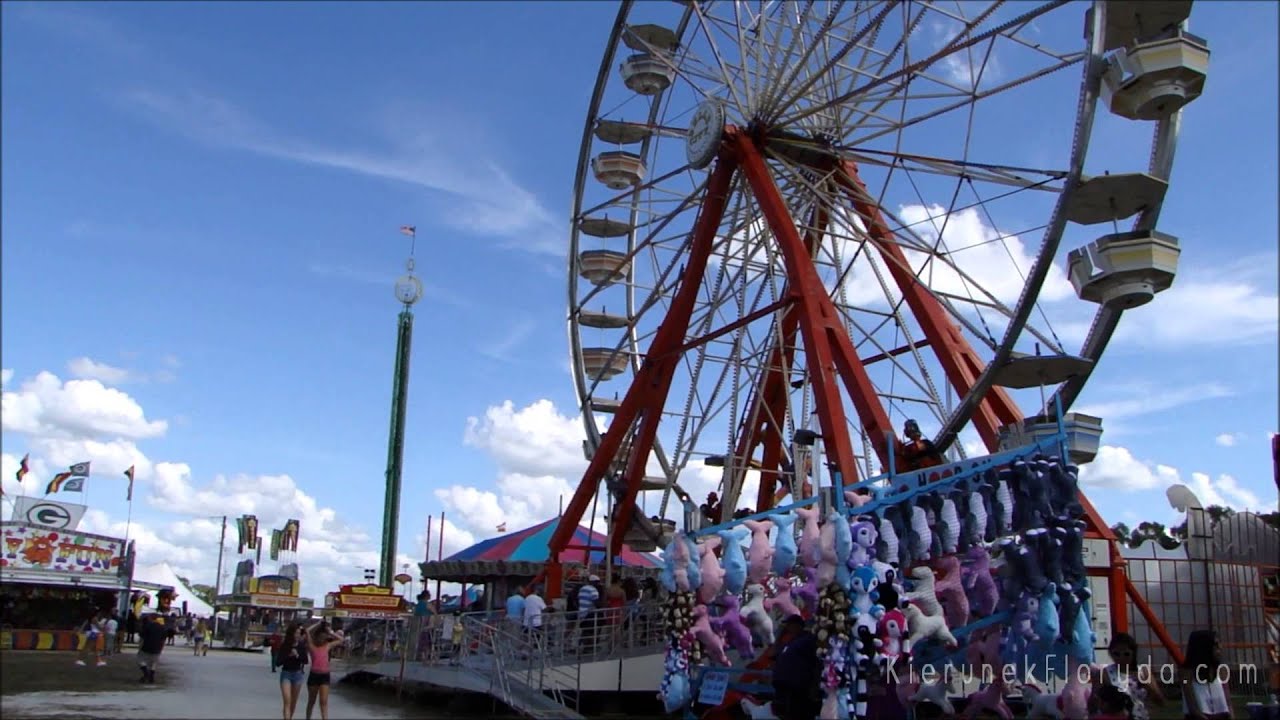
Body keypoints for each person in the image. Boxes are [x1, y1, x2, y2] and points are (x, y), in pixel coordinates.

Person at [1095, 632, 1164, 719]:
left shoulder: (1144, 672)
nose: (1121, 658)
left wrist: (1147, 686)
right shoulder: (1105, 673)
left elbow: (1160, 702)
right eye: (1116, 654)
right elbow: (1095, 704)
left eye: (1126, 654)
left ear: (1133, 653)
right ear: (1110, 653)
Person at [771, 615, 820, 720]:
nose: (788, 628)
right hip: (784, 686)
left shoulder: (807, 639)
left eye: (790, 625)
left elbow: (814, 661)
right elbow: (774, 652)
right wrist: (780, 635)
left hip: (797, 686)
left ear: (797, 625)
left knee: (797, 713)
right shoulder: (790, 642)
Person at [1180, 629, 1231, 720]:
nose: (1220, 647)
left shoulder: (1221, 670)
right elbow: (1193, 707)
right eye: (1215, 645)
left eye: (1219, 643)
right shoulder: (1187, 673)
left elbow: (1228, 703)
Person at [304, 620, 344, 720]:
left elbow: (341, 640)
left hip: (325, 676)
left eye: (324, 637)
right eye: (321, 637)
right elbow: (307, 631)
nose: (322, 639)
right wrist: (318, 624)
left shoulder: (327, 646)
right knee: (311, 701)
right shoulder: (312, 646)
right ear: (316, 637)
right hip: (314, 675)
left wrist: (330, 632)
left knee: (323, 702)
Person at [276, 622, 309, 720]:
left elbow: (305, 661)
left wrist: (297, 655)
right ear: (291, 633)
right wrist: (289, 655)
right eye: (296, 633)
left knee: (293, 702)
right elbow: (278, 662)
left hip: (297, 674)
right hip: (286, 674)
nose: (297, 635)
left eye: (299, 633)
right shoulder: (285, 645)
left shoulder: (301, 645)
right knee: (287, 700)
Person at [137, 613, 168, 683]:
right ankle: (151, 676)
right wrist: (161, 648)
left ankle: (146, 673)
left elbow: (142, 637)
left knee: (140, 659)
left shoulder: (148, 626)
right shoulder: (162, 628)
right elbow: (163, 639)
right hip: (157, 647)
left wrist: (140, 646)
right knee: (154, 662)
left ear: (150, 618)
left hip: (146, 646)